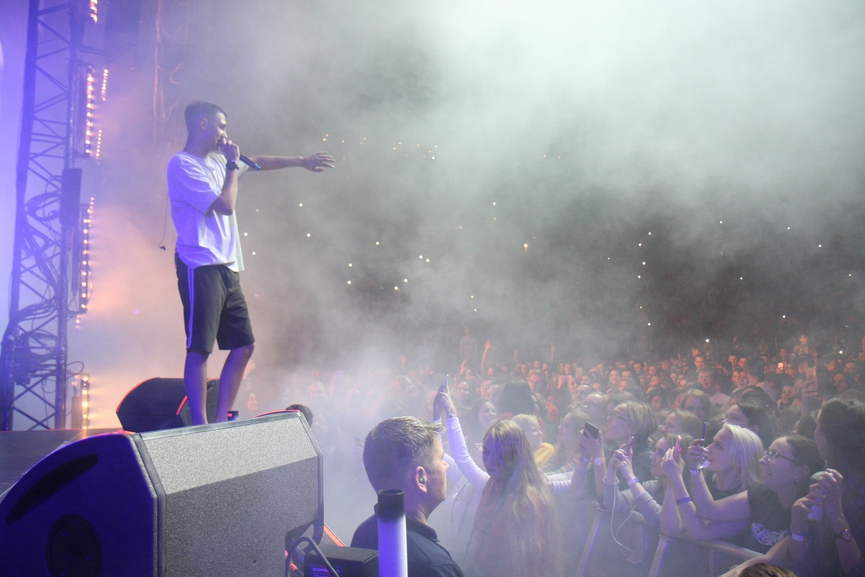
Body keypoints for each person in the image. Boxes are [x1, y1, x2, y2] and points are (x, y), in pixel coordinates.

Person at [168, 100, 333, 424]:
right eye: (221, 126)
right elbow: (226, 205)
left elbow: (256, 161)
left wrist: (301, 161)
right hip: (200, 265)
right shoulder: (182, 165)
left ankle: (220, 420)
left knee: (244, 346)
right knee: (200, 348)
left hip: (227, 266)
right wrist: (232, 165)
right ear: (202, 125)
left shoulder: (219, 160)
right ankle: (200, 425)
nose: (224, 133)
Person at [351, 417, 464, 577]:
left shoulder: (363, 533)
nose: (447, 465)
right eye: (441, 459)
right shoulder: (435, 568)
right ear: (421, 479)